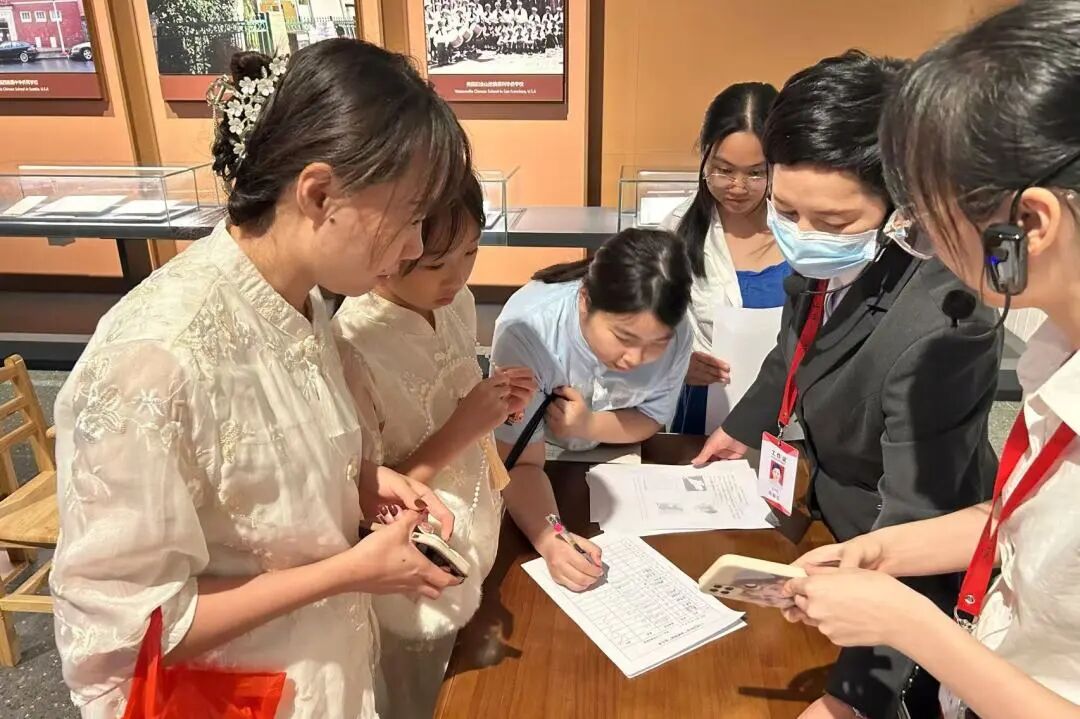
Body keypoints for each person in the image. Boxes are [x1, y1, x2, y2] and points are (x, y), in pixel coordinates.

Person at [48, 40, 469, 719]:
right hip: (242, 697)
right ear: (320, 194)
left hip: (332, 675)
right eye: (411, 215)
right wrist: (349, 572)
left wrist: (363, 479)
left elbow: (257, 480)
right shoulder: (156, 357)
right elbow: (125, 629)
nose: (417, 247)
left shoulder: (304, 304)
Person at [783, 3, 1080, 717]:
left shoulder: (948, 329)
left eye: (925, 220)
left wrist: (908, 623)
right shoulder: (1056, 352)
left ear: (1026, 225)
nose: (918, 243)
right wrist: (888, 554)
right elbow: (1027, 523)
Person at [692, 50, 1002, 719]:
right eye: (785, 210)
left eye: (833, 223)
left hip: (894, 543)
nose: (802, 237)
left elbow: (921, 518)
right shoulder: (817, 260)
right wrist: (739, 429)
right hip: (821, 516)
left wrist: (853, 697)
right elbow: (793, 354)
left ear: (902, 207)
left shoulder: (945, 326)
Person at [334, 172, 535, 719]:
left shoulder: (457, 303)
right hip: (421, 564)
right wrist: (464, 426)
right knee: (428, 696)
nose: (457, 276)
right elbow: (364, 501)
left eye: (470, 252)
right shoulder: (352, 345)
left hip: (485, 526)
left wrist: (497, 400)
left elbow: (453, 398)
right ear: (392, 247)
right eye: (434, 264)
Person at [491, 228, 693, 591]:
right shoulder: (527, 332)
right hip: (543, 472)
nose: (635, 358)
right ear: (585, 299)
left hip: (625, 470)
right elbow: (518, 464)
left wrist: (589, 425)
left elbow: (652, 417)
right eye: (624, 338)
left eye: (656, 344)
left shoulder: (677, 330)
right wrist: (554, 536)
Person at [662, 82, 786, 435]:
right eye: (724, 170)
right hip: (702, 411)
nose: (738, 187)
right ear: (705, 156)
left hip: (785, 415)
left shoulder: (799, 230)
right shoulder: (675, 231)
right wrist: (675, 362)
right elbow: (643, 328)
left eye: (756, 173)